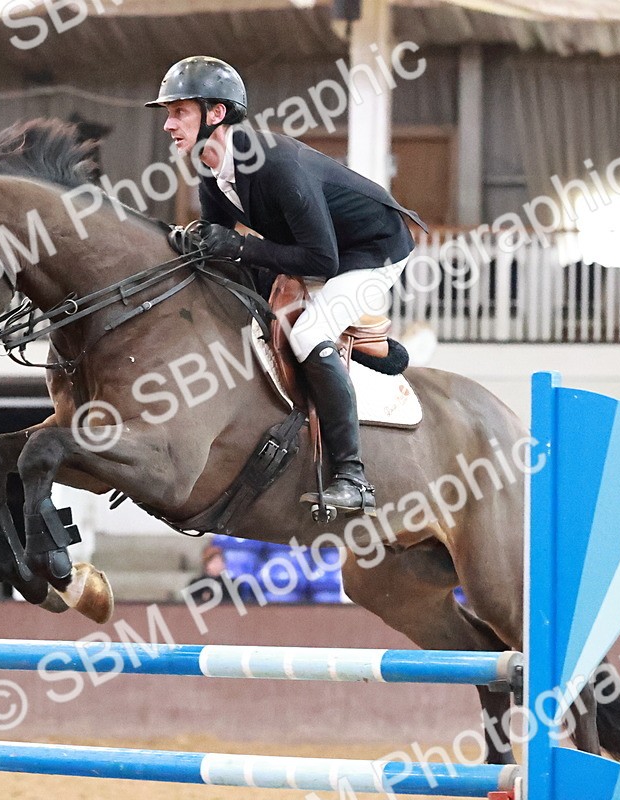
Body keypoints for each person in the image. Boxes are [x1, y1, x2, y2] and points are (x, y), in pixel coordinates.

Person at [148, 56, 425, 518]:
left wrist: (237, 247)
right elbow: (224, 253)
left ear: (216, 114)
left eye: (179, 112)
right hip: (311, 247)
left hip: (371, 250)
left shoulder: (276, 165)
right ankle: (363, 351)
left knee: (309, 332)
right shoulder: (212, 174)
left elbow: (322, 260)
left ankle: (353, 477)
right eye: (168, 114)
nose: (168, 124)